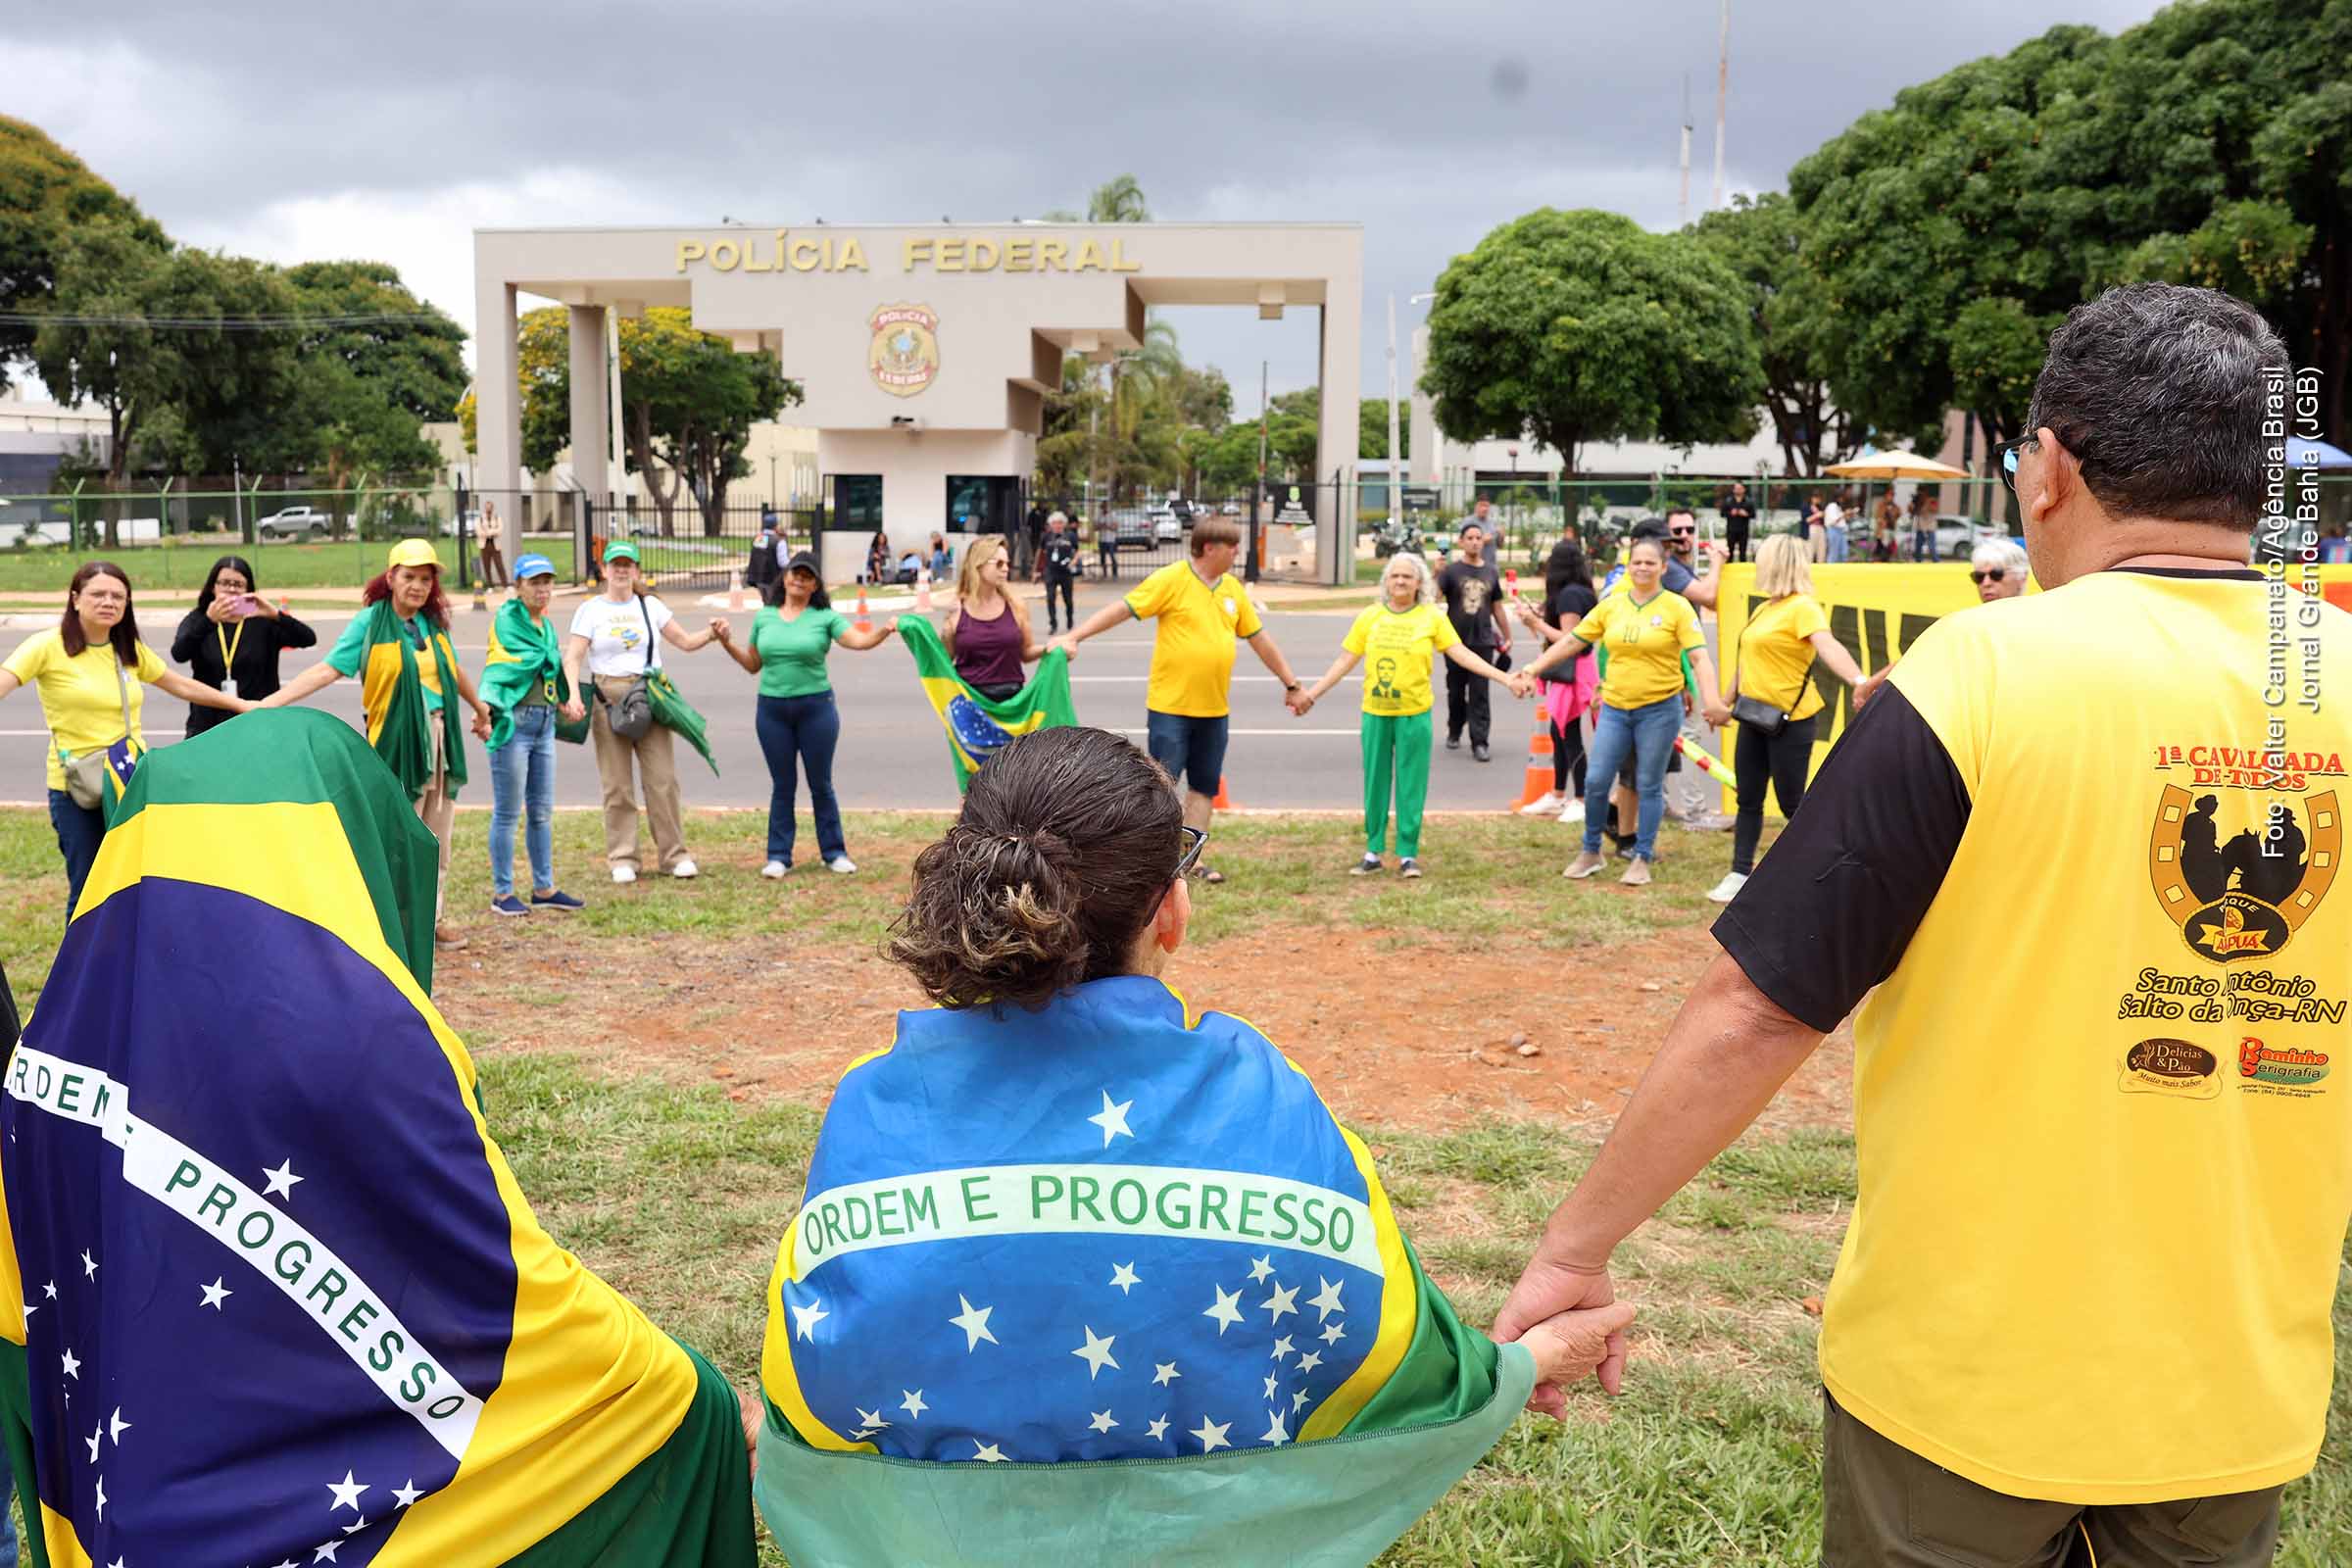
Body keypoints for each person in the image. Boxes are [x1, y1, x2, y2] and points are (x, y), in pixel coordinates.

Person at [1496, 282, 2351, 1567]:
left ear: (2049, 469)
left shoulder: (1978, 671)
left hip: (1962, 1384)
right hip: (2237, 1394)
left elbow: (1758, 1006)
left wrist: (1576, 1248)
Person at [751, 725, 1634, 1566]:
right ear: (1170, 911)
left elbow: (811, 1392)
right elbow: (1385, 1353)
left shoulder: (871, 1102)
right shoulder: (1265, 1096)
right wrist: (1522, 1364)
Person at [0, 710, 758, 1568]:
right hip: (330, 1506)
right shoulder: (376, 1038)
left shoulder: (45, 1054)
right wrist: (679, 1392)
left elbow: (22, 1314)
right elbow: (498, 1293)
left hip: (134, 1495)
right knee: (682, 1408)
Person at [263, 540, 493, 948]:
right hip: (396, 743)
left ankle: (431, 918)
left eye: (426, 579)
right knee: (397, 834)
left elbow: (452, 669)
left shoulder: (431, 624)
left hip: (440, 738)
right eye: (409, 577)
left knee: (437, 834)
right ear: (391, 578)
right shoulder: (371, 623)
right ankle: (391, 924)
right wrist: (268, 704)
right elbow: (328, 669)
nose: (418, 586)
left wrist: (479, 709)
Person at [1054, 516, 1307, 885]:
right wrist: (1075, 636)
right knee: (1164, 788)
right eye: (1231, 546)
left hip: (1214, 710)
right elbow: (1122, 609)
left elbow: (1259, 639)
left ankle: (1193, 862)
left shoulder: (1232, 589)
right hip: (1170, 708)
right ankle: (1160, 861)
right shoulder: (1171, 579)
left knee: (1204, 786)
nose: (1237, 552)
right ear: (1209, 548)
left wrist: (1291, 683)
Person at [0, 561, 250, 915]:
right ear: (75, 598)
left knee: (135, 884)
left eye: (118, 596)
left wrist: (241, 705)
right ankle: (83, 953)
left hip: (129, 783)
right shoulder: (46, 646)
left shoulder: (126, 648)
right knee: (89, 891)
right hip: (78, 788)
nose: (109, 602)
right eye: (98, 594)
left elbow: (179, 684)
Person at [1297, 552, 1515, 877]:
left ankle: (1407, 854)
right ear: (1386, 581)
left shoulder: (1431, 617)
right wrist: (1311, 695)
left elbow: (1460, 653)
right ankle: (1373, 851)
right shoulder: (1370, 616)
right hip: (1376, 712)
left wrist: (1505, 678)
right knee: (1375, 782)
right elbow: (1344, 660)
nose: (1400, 581)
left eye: (1407, 577)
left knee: (1411, 783)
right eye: (1395, 576)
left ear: (1419, 583)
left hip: (1414, 714)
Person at [1521, 538, 1724, 887]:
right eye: (1637, 562)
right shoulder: (1612, 606)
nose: (1642, 568)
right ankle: (1591, 851)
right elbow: (1572, 641)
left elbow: (1699, 657)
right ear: (1628, 566)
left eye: (1650, 562)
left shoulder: (1677, 607)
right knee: (1596, 781)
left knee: (1648, 784)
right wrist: (1533, 668)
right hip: (1615, 708)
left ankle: (1642, 855)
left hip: (1659, 710)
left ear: (1663, 567)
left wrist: (1713, 700)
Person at [713, 549, 895, 877]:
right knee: (782, 785)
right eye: (795, 573)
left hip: (816, 710)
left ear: (815, 585)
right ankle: (778, 855)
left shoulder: (824, 618)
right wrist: (726, 643)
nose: (799, 579)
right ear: (784, 578)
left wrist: (885, 630)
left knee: (820, 783)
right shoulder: (765, 617)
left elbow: (858, 641)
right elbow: (753, 664)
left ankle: (834, 852)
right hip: (772, 711)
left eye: (807, 576)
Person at [1706, 533, 1866, 905]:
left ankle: (1813, 874)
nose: (1757, 566)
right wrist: (1725, 703)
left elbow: (1828, 646)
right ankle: (1739, 872)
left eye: (1761, 559)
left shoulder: (1802, 608)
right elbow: (1746, 663)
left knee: (1793, 804)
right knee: (1748, 798)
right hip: (1753, 716)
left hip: (1791, 721)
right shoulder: (1765, 609)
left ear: (1776, 563)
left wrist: (1859, 680)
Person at [561, 539, 724, 885]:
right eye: (615, 564)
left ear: (636, 570)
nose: (621, 570)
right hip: (607, 699)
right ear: (604, 569)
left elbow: (684, 641)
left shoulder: (650, 606)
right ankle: (623, 857)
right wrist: (574, 694)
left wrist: (712, 634)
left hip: (648, 696)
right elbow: (573, 656)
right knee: (616, 784)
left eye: (627, 564)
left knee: (662, 780)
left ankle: (674, 855)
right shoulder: (591, 610)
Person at [480, 553, 587, 916]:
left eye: (547, 582)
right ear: (518, 587)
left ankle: (544, 887)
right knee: (508, 812)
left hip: (544, 724)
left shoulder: (546, 626)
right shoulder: (508, 621)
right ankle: (503, 893)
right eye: (534, 583)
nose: (542, 590)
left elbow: (547, 672)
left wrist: (564, 701)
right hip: (514, 724)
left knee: (541, 811)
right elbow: (506, 668)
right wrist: (485, 712)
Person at [1852, 535, 2031, 710]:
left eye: (1996, 575)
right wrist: (1870, 684)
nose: (1986, 583)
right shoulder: (1967, 625)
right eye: (1979, 577)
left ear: (2022, 576)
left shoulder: (2033, 623)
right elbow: (1919, 657)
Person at [169, 554, 317, 734]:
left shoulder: (262, 620)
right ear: (213, 587)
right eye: (224, 583)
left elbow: (308, 639)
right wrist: (208, 621)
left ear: (248, 589)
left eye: (238, 584)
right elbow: (179, 654)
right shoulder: (199, 618)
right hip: (208, 725)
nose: (231, 589)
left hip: (256, 722)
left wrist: (276, 614)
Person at [1512, 537, 1599, 822]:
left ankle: (1581, 799)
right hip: (1573, 669)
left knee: (1569, 736)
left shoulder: (1570, 595)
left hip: (1573, 671)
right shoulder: (1578, 591)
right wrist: (1541, 613)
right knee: (1558, 732)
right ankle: (1558, 795)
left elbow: (1569, 638)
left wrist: (1536, 623)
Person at [1436, 517, 1512, 760]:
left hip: (1483, 641)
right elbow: (1433, 598)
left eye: (1478, 538)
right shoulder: (1451, 571)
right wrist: (1436, 573)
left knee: (1480, 693)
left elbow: (1497, 606)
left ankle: (1480, 742)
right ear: (1461, 542)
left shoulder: (1491, 571)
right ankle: (1455, 729)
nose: (1475, 542)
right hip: (1454, 642)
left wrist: (1507, 636)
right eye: (1469, 538)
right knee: (1456, 692)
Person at [941, 534, 1044, 700]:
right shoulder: (957, 609)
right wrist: (946, 631)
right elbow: (943, 660)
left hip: (1011, 703)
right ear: (978, 564)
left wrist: (1051, 649)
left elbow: (1026, 652)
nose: (1006, 569)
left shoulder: (1016, 606)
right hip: (969, 703)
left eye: (1007, 563)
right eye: (999, 563)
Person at [1039, 510, 1080, 632]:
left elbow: (1077, 551)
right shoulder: (1046, 536)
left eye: (1060, 523)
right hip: (1051, 571)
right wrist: (1037, 570)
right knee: (1050, 597)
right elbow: (1041, 553)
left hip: (1065, 572)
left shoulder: (1070, 536)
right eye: (1055, 523)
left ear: (1064, 524)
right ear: (1051, 525)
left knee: (1068, 599)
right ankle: (1053, 623)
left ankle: (1070, 619)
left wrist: (1073, 562)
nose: (1057, 525)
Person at [1721, 481, 1756, 563]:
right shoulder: (1728, 501)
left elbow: (1753, 515)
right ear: (1733, 490)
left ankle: (1742, 569)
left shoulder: (1748, 501)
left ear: (1744, 489)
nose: (1738, 490)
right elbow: (1722, 514)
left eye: (1740, 488)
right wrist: (1730, 513)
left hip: (1743, 530)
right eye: (1736, 488)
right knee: (1729, 552)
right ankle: (1729, 568)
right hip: (1731, 530)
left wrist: (1746, 514)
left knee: (1743, 553)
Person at [477, 498, 509, 589]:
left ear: (492, 508)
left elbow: (500, 530)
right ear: (485, 508)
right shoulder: (480, 518)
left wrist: (490, 532)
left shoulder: (497, 517)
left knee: (499, 565)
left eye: (490, 507)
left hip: (495, 545)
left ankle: (505, 585)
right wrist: (488, 533)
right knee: (487, 566)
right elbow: (479, 531)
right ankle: (490, 586)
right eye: (487, 507)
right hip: (484, 545)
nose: (488, 509)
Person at [1822, 491, 1849, 563]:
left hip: (1841, 531)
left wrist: (1847, 515)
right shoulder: (1832, 506)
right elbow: (1834, 520)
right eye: (1842, 498)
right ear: (1838, 498)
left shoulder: (1838, 507)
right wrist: (1844, 514)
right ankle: (1831, 568)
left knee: (1844, 553)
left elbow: (1841, 521)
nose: (1843, 500)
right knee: (1834, 553)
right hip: (1833, 530)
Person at [1908, 488, 1935, 562]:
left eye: (1921, 494)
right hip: (1920, 528)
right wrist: (1913, 504)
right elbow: (1912, 513)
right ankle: (1918, 561)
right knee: (1918, 548)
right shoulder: (1918, 503)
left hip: (1929, 528)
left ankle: (1936, 561)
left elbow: (1933, 509)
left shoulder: (1930, 501)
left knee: (1931, 548)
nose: (1920, 495)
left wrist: (1924, 504)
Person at [1093, 511, 1119, 580]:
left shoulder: (1112, 515)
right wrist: (1100, 526)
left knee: (1112, 556)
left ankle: (1115, 573)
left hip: (1111, 540)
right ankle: (1104, 573)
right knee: (1102, 557)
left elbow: (1116, 527)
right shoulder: (1098, 515)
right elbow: (1094, 528)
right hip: (1102, 540)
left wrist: (1108, 526)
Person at [1804, 491, 1828, 563]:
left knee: (1822, 549)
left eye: (1818, 498)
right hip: (1812, 528)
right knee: (1811, 549)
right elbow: (1806, 520)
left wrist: (1823, 515)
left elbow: (1824, 520)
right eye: (1815, 497)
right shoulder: (1806, 507)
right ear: (1811, 498)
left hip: (1821, 529)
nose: (1817, 499)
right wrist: (1817, 515)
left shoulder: (1820, 507)